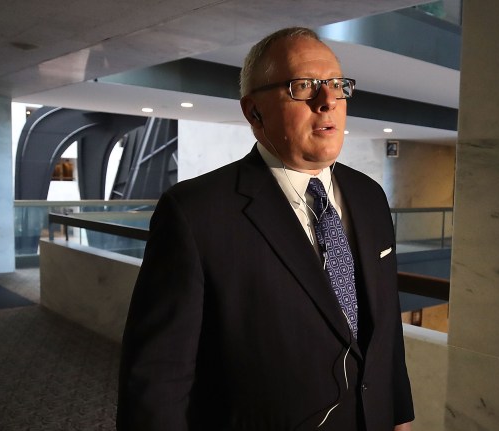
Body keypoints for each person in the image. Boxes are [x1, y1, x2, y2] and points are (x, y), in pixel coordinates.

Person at [117, 27, 414, 431]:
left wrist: (399, 418)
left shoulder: (370, 196)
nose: (328, 101)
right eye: (304, 86)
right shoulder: (195, 212)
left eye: (337, 85)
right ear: (254, 112)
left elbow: (386, 330)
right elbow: (157, 377)